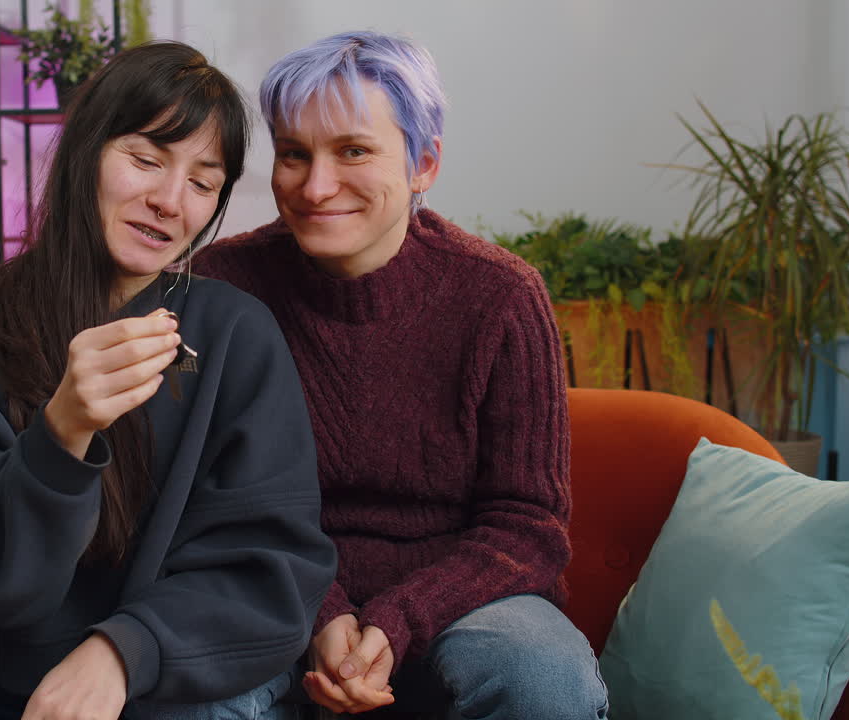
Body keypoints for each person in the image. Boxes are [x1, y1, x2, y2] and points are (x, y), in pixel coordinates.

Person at [0, 41, 337, 720]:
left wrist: (123, 650)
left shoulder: (236, 334)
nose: (169, 201)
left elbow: (271, 569)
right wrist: (61, 433)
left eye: (203, 183)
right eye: (145, 160)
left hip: (163, 683)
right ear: (84, 151)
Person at [193, 31, 609, 720]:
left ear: (424, 164)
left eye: (353, 151)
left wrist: (396, 619)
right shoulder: (223, 286)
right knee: (189, 695)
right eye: (294, 154)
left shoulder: (502, 297)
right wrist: (323, 612)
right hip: (269, 582)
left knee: (543, 682)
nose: (316, 186)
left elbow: (528, 526)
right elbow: (211, 496)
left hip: (463, 594)